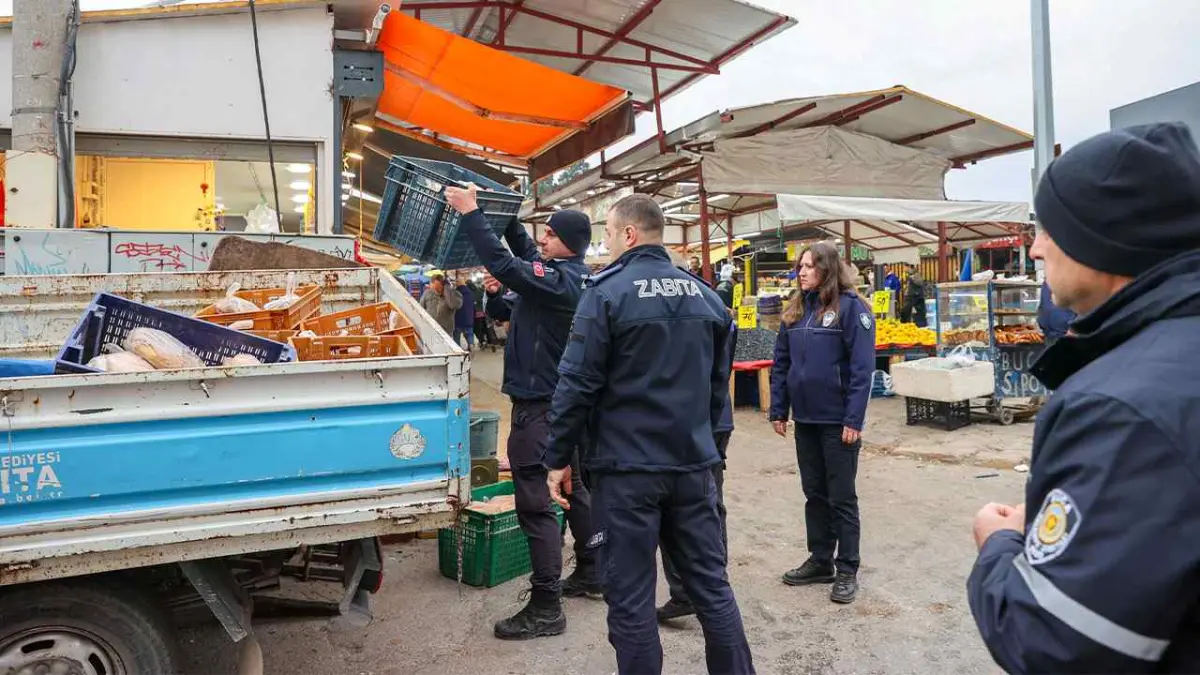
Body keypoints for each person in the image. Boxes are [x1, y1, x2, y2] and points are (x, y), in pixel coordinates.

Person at [967, 122, 1200, 673]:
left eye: (1050, 227)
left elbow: (1055, 642)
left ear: (1103, 237)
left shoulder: (1123, 406)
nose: (1035, 246)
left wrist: (999, 543)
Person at [543, 194, 753, 675]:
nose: (609, 243)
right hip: (693, 466)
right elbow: (718, 392)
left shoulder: (607, 292)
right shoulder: (707, 297)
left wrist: (557, 457)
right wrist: (711, 453)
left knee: (632, 597)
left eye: (611, 234)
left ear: (629, 234)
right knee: (712, 588)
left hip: (628, 472)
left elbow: (576, 384)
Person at [444, 183, 598, 641]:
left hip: (543, 410)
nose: (543, 239)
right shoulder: (558, 273)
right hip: (561, 406)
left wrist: (474, 213)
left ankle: (547, 605)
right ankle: (593, 569)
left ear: (569, 243)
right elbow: (519, 264)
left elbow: (508, 263)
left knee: (537, 504)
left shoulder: (563, 279)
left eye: (550, 234)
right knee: (576, 487)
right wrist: (505, 213)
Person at [769, 241, 875, 605]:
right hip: (807, 420)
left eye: (810, 266)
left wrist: (853, 418)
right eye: (800, 266)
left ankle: (847, 569)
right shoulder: (796, 311)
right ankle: (820, 560)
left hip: (837, 422)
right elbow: (781, 363)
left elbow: (862, 371)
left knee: (841, 496)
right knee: (814, 493)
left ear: (828, 269)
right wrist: (779, 409)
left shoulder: (852, 310)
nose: (802, 272)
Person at [657, 253, 738, 624]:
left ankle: (704, 586)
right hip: (707, 422)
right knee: (703, 504)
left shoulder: (664, 301)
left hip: (691, 424)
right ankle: (700, 586)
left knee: (692, 506)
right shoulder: (709, 299)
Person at [419, 270, 462, 335]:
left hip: (446, 331)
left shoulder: (454, 293)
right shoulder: (427, 293)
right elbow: (421, 309)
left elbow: (453, 305)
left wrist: (447, 290)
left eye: (438, 286)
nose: (435, 289)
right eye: (433, 284)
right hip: (430, 329)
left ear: (443, 285)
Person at [1036, 279, 1075, 347]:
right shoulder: (1047, 283)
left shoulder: (1073, 280)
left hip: (1066, 336)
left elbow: (1087, 306)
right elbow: (1043, 304)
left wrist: (1074, 329)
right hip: (1047, 335)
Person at [453, 273, 476, 350]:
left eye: (456, 282)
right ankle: (471, 345)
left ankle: (458, 349)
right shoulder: (470, 293)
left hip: (458, 318)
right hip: (469, 318)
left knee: (457, 335)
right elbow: (473, 305)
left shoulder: (456, 293)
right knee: (469, 334)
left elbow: (454, 305)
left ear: (458, 283)